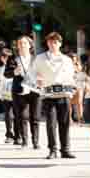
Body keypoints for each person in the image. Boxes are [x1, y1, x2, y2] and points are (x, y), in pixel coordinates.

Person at [32, 31, 78, 160]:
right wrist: (37, 79)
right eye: (51, 42)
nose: (53, 44)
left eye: (56, 42)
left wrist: (72, 90)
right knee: (51, 124)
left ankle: (65, 149)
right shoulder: (40, 58)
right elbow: (33, 73)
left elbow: (71, 76)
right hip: (49, 95)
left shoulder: (67, 59)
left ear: (60, 44)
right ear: (47, 43)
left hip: (64, 94)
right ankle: (52, 149)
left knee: (65, 123)